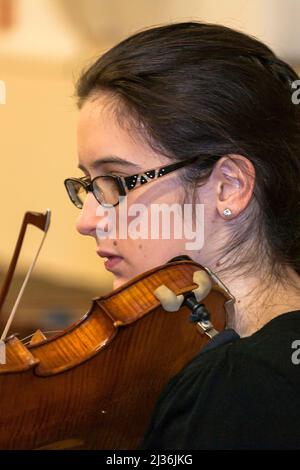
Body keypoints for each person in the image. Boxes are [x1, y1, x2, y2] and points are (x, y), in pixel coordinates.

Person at [64, 21, 300, 449]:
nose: (87, 219)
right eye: (89, 185)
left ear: (229, 185)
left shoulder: (238, 389)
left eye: (117, 182)